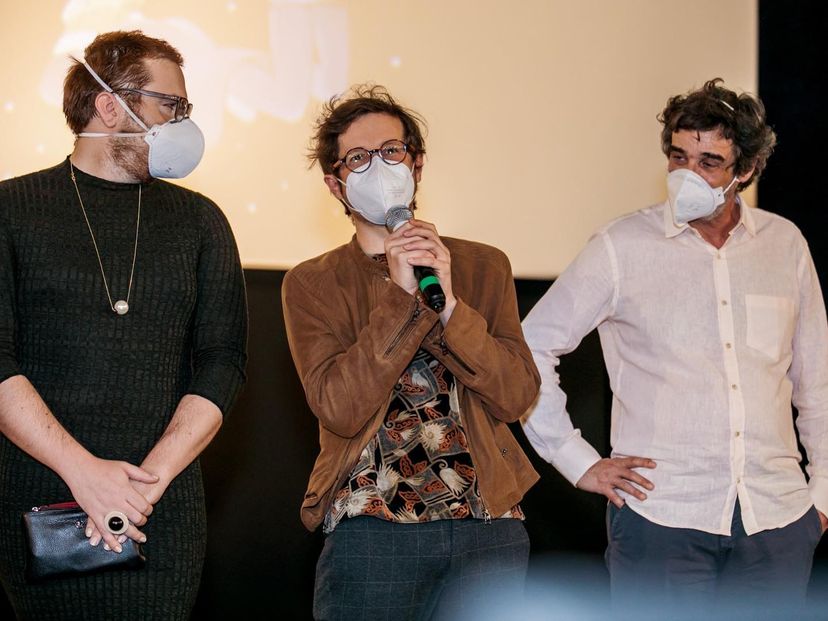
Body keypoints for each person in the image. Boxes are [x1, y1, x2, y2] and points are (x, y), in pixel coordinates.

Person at [521, 79, 827, 615]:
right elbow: (531, 347)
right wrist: (577, 460)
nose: (689, 175)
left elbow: (815, 380)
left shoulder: (785, 244)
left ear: (746, 171)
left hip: (776, 517)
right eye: (679, 157)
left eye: (709, 162)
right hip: (660, 519)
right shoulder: (621, 246)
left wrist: (822, 495)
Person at [0, 31, 247, 619]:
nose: (183, 122)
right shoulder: (10, 210)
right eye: (171, 105)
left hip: (160, 508)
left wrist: (144, 484)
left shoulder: (200, 221)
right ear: (109, 104)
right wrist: (85, 474)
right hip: (40, 505)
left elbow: (223, 361)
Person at [282, 84, 540, 620]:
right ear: (336, 184)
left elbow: (516, 395)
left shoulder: (483, 265)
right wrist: (400, 299)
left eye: (392, 151)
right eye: (358, 158)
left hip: (487, 526)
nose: (379, 166)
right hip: (373, 527)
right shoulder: (312, 284)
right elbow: (339, 405)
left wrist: (448, 306)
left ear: (416, 164)